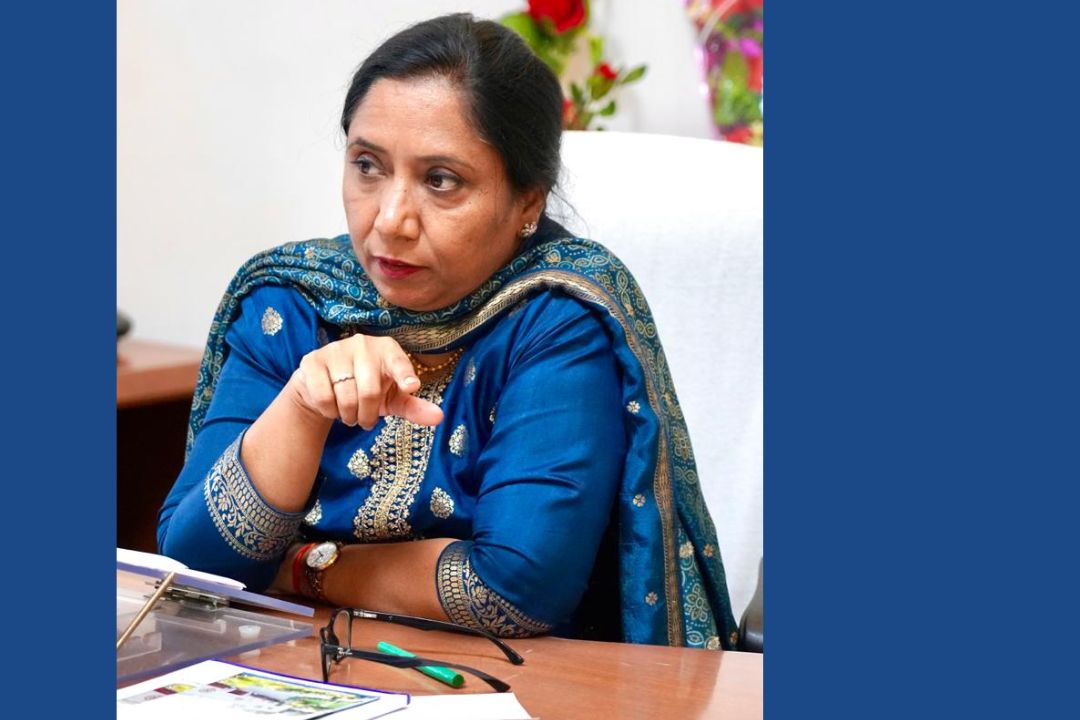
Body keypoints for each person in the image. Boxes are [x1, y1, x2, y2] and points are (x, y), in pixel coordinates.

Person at [157, 13, 736, 649]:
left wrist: (302, 568)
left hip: (517, 683)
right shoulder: (290, 303)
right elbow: (193, 566)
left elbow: (514, 588)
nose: (390, 220)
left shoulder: (555, 317)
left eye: (440, 181)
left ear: (527, 202)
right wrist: (300, 406)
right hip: (301, 667)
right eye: (368, 165)